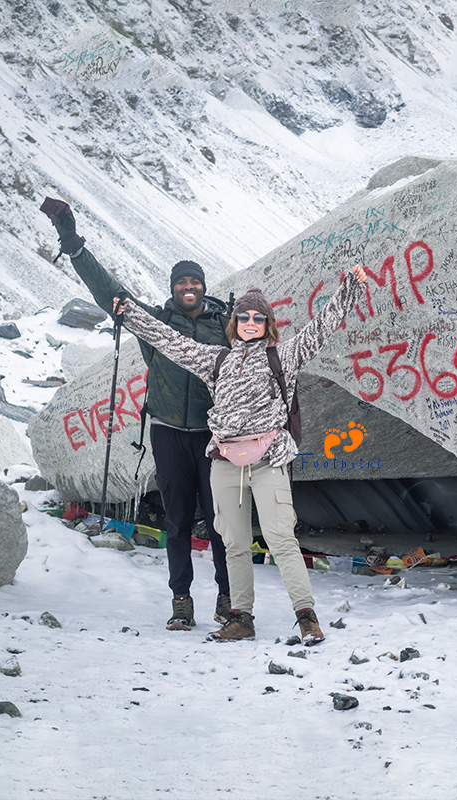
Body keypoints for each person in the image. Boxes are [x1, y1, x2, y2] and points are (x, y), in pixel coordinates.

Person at [112, 265, 369, 643]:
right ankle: (240, 618)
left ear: (268, 323)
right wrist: (130, 313)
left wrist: (349, 288)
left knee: (281, 538)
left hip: (269, 460)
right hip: (226, 462)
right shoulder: (215, 360)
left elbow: (323, 326)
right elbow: (167, 340)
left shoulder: (285, 356)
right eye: (243, 316)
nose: (250, 321)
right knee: (233, 542)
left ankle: (306, 616)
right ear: (234, 322)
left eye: (258, 317)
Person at [42, 199, 231, 631]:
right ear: (173, 288)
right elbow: (111, 295)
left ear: (203, 287)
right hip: (166, 434)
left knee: (222, 521)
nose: (189, 286)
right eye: (182, 281)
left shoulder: (225, 325)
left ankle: (228, 597)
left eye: (194, 281)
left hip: (212, 437)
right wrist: (73, 245)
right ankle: (181, 599)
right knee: (178, 520)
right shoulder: (157, 325)